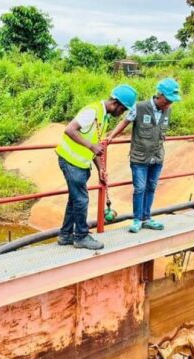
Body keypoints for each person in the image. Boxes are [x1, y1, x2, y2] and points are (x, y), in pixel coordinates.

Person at [55, 84, 138, 250]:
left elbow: (96, 144)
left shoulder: (103, 117)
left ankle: (65, 235)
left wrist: (100, 168)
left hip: (81, 163)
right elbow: (70, 130)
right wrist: (91, 146)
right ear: (116, 104)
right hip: (71, 161)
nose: (121, 114)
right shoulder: (92, 111)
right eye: (122, 110)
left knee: (75, 199)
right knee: (81, 199)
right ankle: (81, 237)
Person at [106, 78, 181, 233]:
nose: (169, 104)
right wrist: (111, 137)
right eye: (167, 101)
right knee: (139, 188)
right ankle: (137, 219)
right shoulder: (139, 107)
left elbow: (161, 129)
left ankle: (147, 217)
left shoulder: (168, 110)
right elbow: (124, 122)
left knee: (151, 187)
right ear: (159, 95)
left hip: (157, 156)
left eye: (171, 102)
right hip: (139, 157)